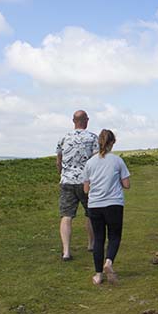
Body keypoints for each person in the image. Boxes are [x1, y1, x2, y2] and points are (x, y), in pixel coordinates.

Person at [83, 129, 130, 285]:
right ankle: (108, 262)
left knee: (99, 239)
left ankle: (98, 275)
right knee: (114, 236)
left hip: (95, 205)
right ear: (112, 143)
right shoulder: (117, 161)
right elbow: (127, 184)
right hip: (114, 203)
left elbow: (86, 189)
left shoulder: (90, 163)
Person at [56, 110, 99, 261]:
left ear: (73, 121)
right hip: (86, 181)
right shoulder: (93, 138)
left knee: (66, 216)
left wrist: (62, 175)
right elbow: (96, 161)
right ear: (86, 120)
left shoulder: (63, 138)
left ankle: (66, 251)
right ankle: (91, 244)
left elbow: (58, 161)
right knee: (90, 213)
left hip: (67, 181)